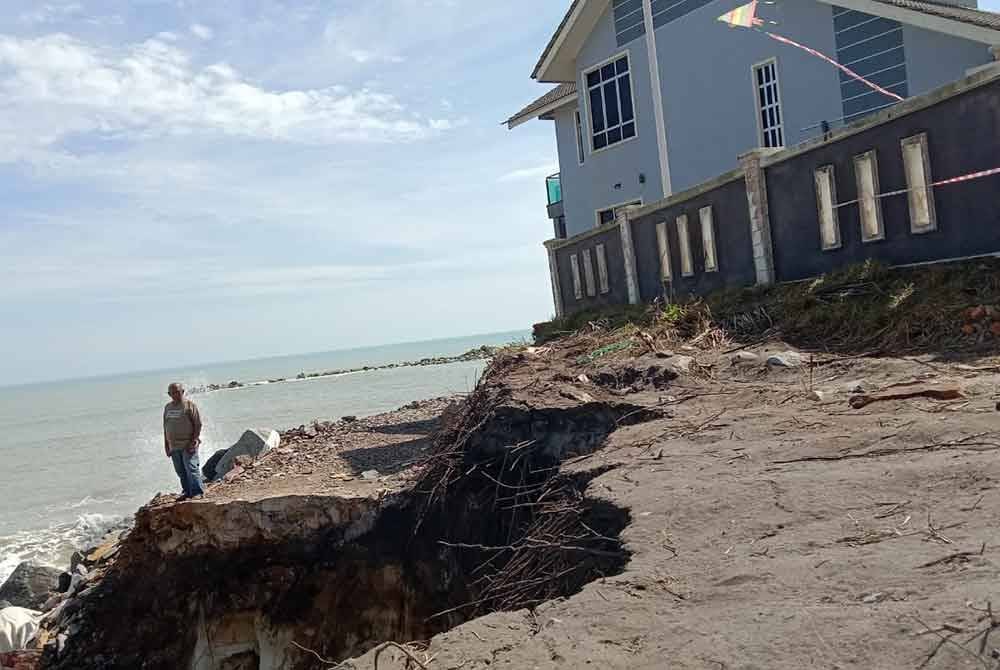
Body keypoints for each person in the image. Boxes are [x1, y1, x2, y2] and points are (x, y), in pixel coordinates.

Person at [163, 383, 205, 500]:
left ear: (183, 391)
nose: (175, 394)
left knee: (191, 468)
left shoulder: (189, 405)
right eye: (172, 392)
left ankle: (197, 492)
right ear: (169, 394)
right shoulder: (167, 407)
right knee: (180, 471)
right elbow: (165, 427)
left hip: (188, 444)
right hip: (174, 446)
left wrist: (193, 440)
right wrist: (166, 445)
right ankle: (187, 491)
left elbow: (198, 424)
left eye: (178, 391)